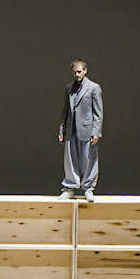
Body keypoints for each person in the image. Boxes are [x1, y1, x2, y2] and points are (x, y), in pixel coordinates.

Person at [57, 59, 103, 201]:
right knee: (70, 160)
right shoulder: (69, 88)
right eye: (75, 72)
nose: (77, 74)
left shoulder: (93, 88)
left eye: (80, 71)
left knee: (88, 159)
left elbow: (98, 112)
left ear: (85, 71)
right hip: (72, 129)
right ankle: (69, 187)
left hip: (87, 129)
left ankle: (88, 188)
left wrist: (96, 132)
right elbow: (65, 111)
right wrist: (62, 130)